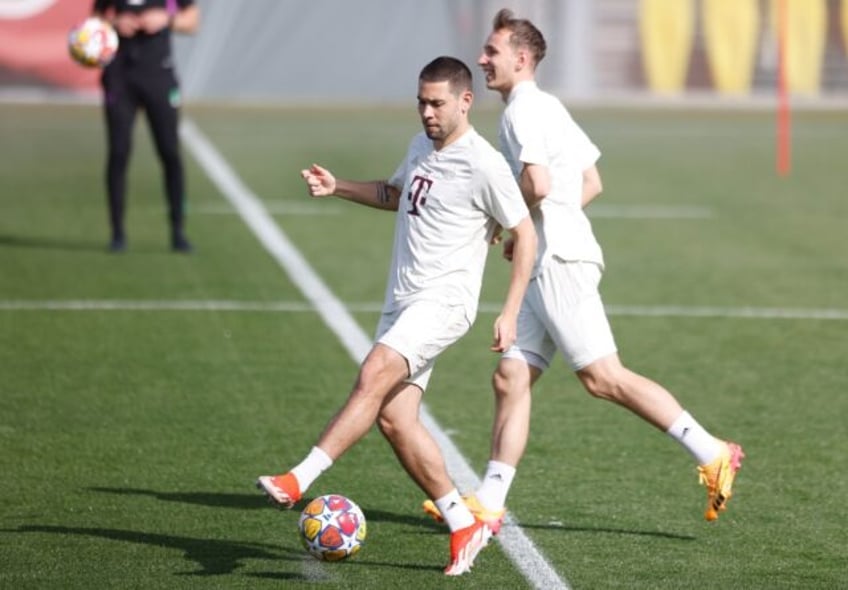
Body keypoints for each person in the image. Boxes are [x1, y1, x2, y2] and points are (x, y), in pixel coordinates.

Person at [423, 8, 744, 530]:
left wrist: (516, 225)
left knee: (602, 377)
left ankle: (712, 453)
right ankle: (490, 500)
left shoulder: (521, 112)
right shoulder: (548, 107)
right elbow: (590, 181)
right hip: (551, 254)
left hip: (559, 262)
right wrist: (533, 229)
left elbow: (540, 184)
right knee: (510, 376)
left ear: (521, 59)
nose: (481, 59)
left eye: (492, 52)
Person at [256, 56, 537, 576]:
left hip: (445, 304)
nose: (427, 113)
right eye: (421, 102)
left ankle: (300, 477)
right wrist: (337, 185)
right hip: (403, 303)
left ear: (465, 101)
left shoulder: (484, 162)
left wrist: (511, 309)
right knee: (394, 419)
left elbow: (526, 233)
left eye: (437, 103)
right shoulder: (419, 147)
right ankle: (462, 523)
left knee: (375, 370)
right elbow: (395, 193)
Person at [92, 0, 199, 252]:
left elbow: (192, 21)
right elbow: (94, 24)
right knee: (118, 153)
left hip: (158, 74)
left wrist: (167, 19)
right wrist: (114, 24)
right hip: (119, 76)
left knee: (170, 152)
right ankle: (117, 233)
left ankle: (178, 231)